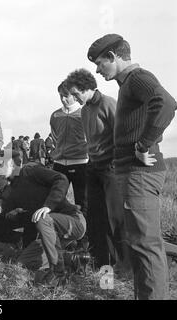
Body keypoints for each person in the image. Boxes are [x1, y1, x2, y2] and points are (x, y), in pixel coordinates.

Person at [88, 33, 176, 299]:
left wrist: (143, 144)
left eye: (100, 62)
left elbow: (167, 104)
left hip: (140, 174)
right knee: (138, 244)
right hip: (130, 174)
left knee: (146, 245)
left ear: (113, 57)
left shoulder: (138, 78)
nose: (97, 69)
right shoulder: (127, 84)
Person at [0, 152, 86, 287]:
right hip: (47, 231)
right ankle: (71, 259)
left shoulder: (30, 171)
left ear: (10, 163)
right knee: (22, 262)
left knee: (42, 218)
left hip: (73, 220)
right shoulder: (11, 190)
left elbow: (61, 179)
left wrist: (48, 206)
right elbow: (18, 217)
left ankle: (58, 273)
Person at [65, 68, 130, 271]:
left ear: (87, 87)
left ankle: (124, 267)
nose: (74, 98)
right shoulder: (84, 110)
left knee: (115, 219)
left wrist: (116, 162)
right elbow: (91, 140)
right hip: (92, 167)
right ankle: (101, 263)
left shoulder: (108, 103)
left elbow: (123, 135)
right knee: (95, 218)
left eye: (76, 93)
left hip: (110, 168)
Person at [50, 80, 88, 213]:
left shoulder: (84, 113)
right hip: (59, 163)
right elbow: (55, 136)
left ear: (74, 95)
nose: (63, 99)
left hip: (80, 163)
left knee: (82, 201)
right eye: (61, 95)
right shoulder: (55, 115)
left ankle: (84, 231)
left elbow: (89, 137)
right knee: (56, 199)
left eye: (66, 95)